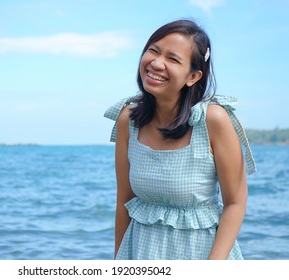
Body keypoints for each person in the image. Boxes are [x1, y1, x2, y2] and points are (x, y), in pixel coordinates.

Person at [104, 19, 256, 260]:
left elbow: (235, 203)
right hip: (141, 253)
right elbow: (124, 201)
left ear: (193, 76)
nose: (156, 63)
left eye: (172, 59)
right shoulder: (128, 119)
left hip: (203, 255)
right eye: (153, 50)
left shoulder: (213, 120)